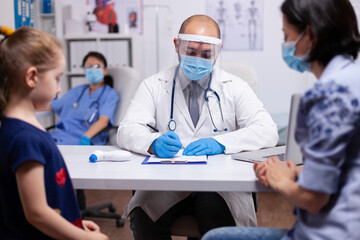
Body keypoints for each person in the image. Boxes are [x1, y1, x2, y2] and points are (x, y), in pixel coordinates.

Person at [202, 0, 360, 239]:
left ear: (310, 35)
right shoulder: (353, 78)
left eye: (287, 35)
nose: (285, 44)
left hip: (331, 232)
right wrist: (297, 174)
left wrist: (281, 180)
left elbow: (315, 199)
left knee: (216, 237)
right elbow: (346, 166)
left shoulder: (325, 95)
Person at [118, 15, 279, 239]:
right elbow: (127, 129)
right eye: (191, 52)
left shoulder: (235, 87)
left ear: (218, 51)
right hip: (169, 179)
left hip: (219, 182)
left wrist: (220, 143)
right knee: (143, 215)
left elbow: (267, 130)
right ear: (176, 45)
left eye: (206, 55)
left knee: (214, 215)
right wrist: (152, 143)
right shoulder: (154, 85)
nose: (198, 60)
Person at [0, 27, 108, 239]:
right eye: (57, 79)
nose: (59, 89)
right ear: (32, 77)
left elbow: (42, 201)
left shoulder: (18, 128)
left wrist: (72, 222)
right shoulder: (25, 138)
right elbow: (37, 213)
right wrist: (83, 237)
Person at [49, 51, 119, 145]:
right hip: (61, 134)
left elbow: (103, 121)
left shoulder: (109, 94)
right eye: (89, 66)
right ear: (84, 70)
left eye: (97, 66)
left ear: (105, 70)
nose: (93, 70)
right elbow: (52, 106)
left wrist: (86, 137)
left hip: (82, 138)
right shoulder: (77, 91)